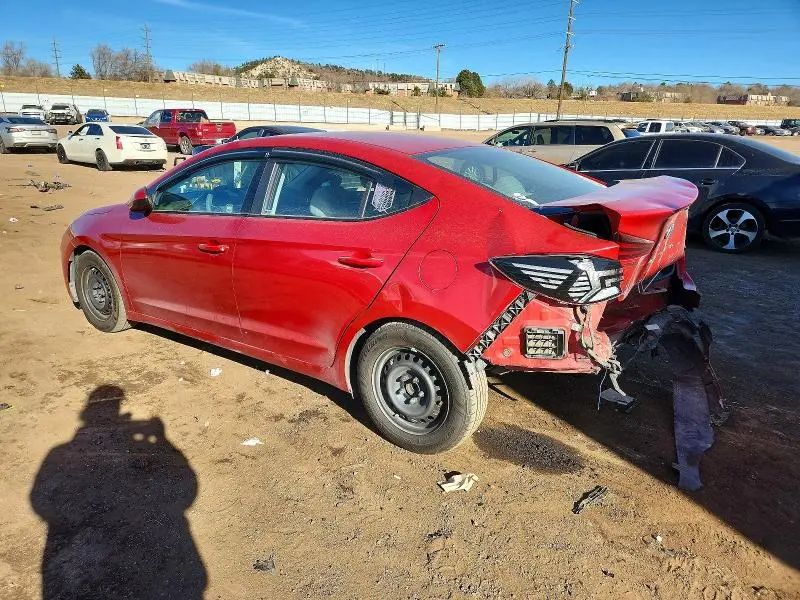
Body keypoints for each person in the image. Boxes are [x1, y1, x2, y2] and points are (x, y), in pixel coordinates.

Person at [30, 385, 207, 599]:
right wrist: (162, 440)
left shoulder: (59, 453)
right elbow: (188, 490)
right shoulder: (62, 454)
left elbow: (40, 501)